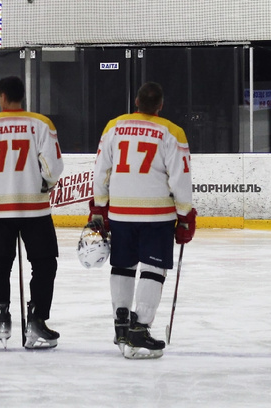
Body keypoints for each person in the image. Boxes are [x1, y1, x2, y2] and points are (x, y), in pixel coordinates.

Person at [89, 82, 195, 359]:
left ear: (136, 101)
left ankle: (121, 324)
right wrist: (185, 215)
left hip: (121, 212)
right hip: (156, 214)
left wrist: (99, 207)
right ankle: (140, 329)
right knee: (153, 269)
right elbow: (180, 177)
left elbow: (101, 170)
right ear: (160, 105)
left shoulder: (114, 126)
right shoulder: (172, 131)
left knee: (122, 265)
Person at [0, 75, 64, 348]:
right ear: (22, 95)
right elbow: (53, 168)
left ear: (1, 96)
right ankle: (36, 320)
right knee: (45, 263)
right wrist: (42, 183)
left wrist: (3, 179)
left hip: (0, 209)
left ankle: (2, 317)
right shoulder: (41, 124)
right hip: (35, 208)